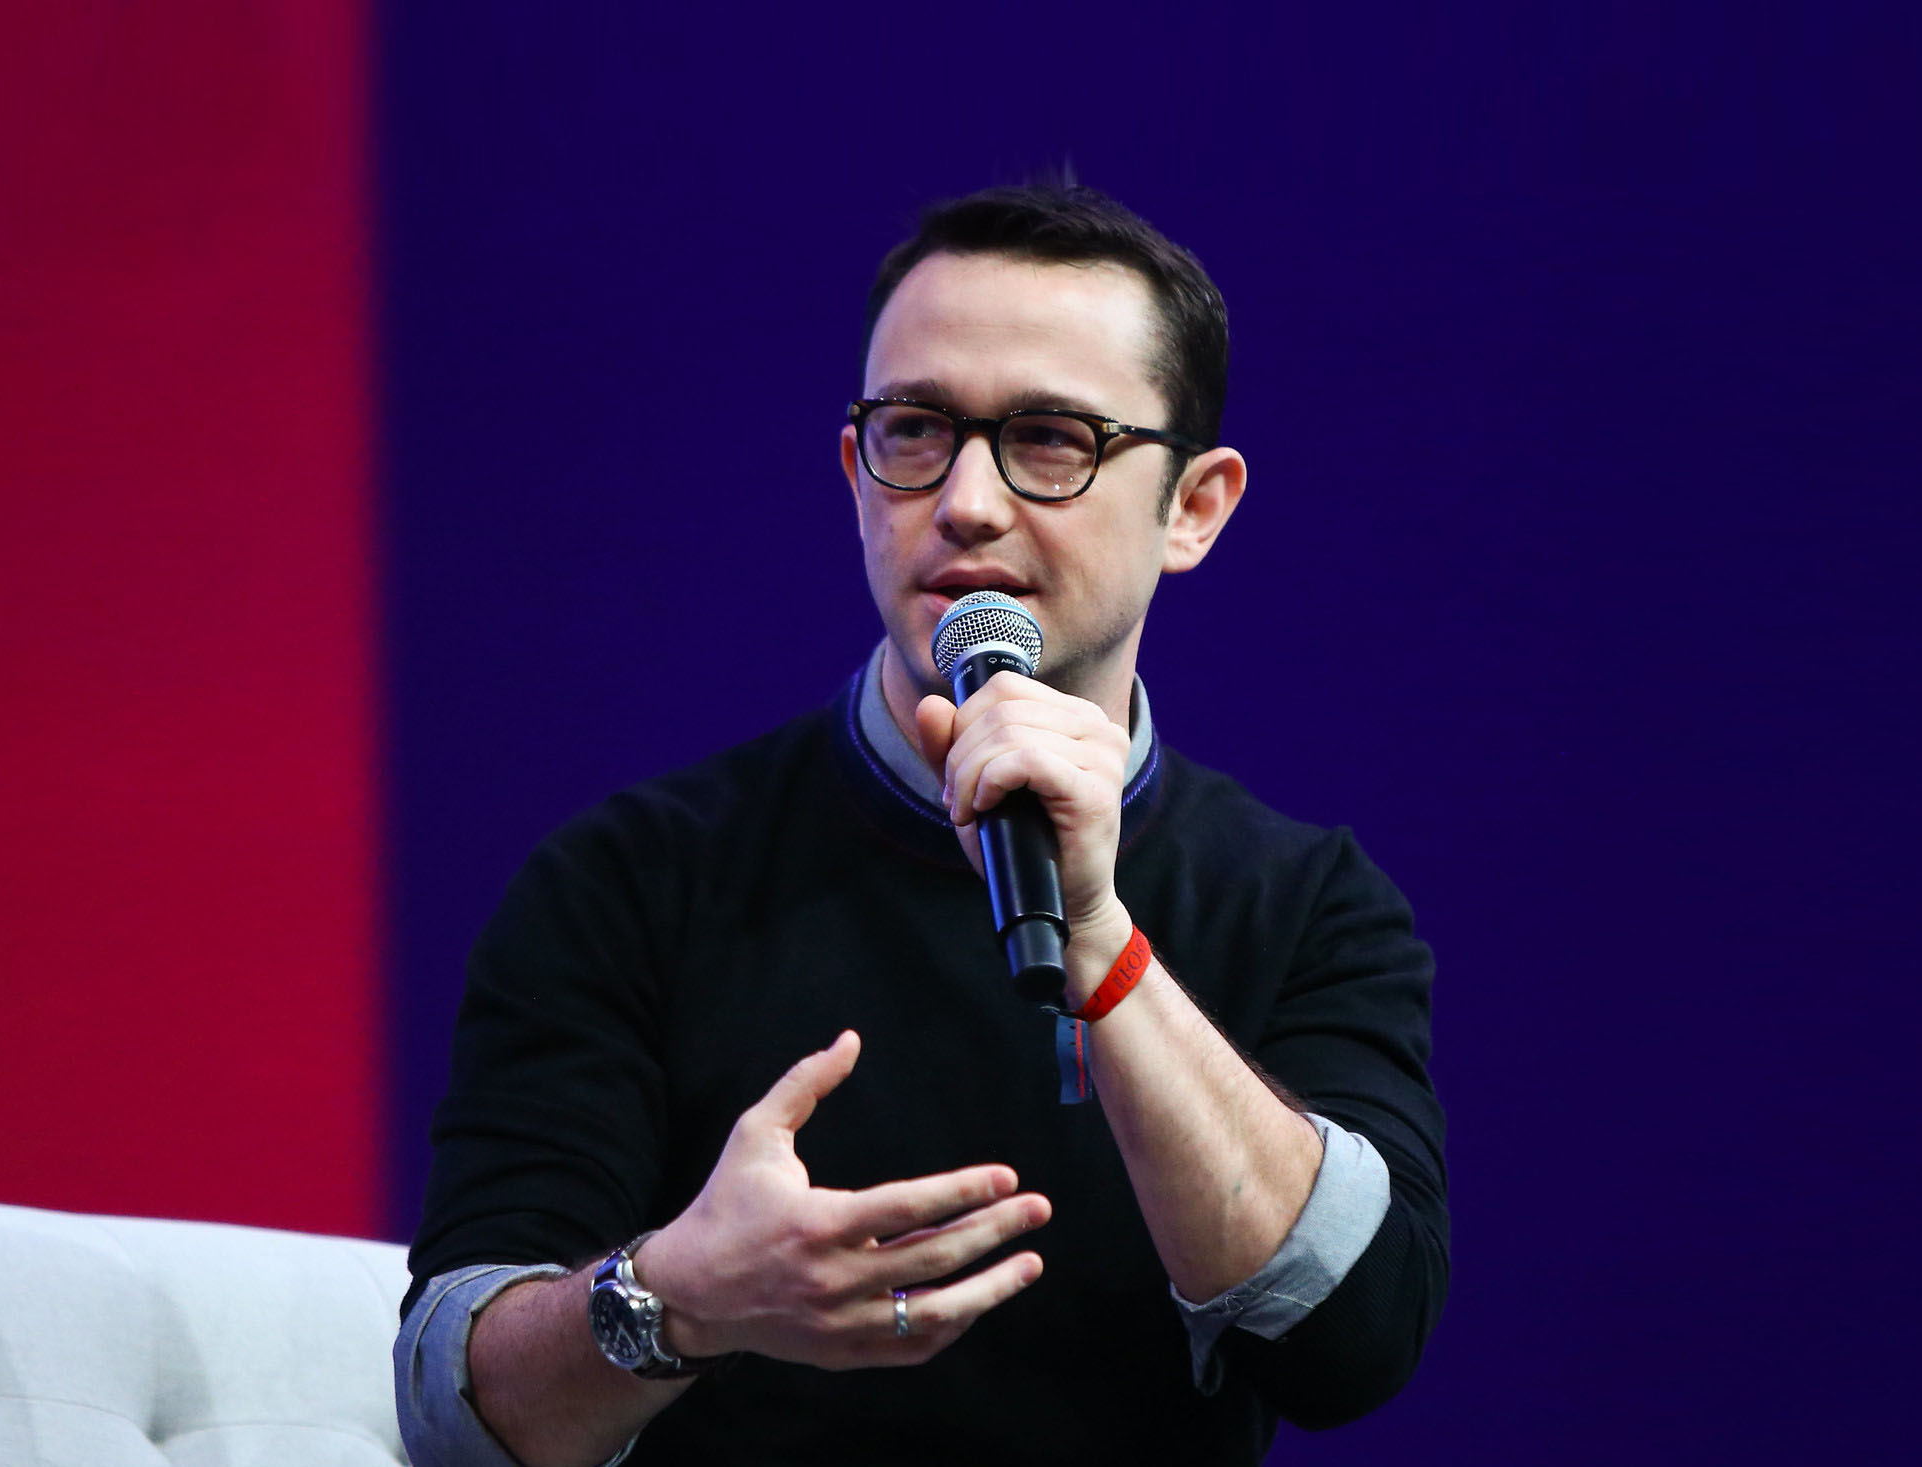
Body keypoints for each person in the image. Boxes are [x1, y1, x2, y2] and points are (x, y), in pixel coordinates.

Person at [395, 184, 1448, 1467]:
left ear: (1195, 507)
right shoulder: (630, 878)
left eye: (1053, 438)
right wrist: (678, 1302)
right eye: (916, 430)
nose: (965, 502)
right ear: (855, 471)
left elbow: (1353, 1344)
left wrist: (1103, 943)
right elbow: (455, 1416)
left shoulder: (1307, 900)